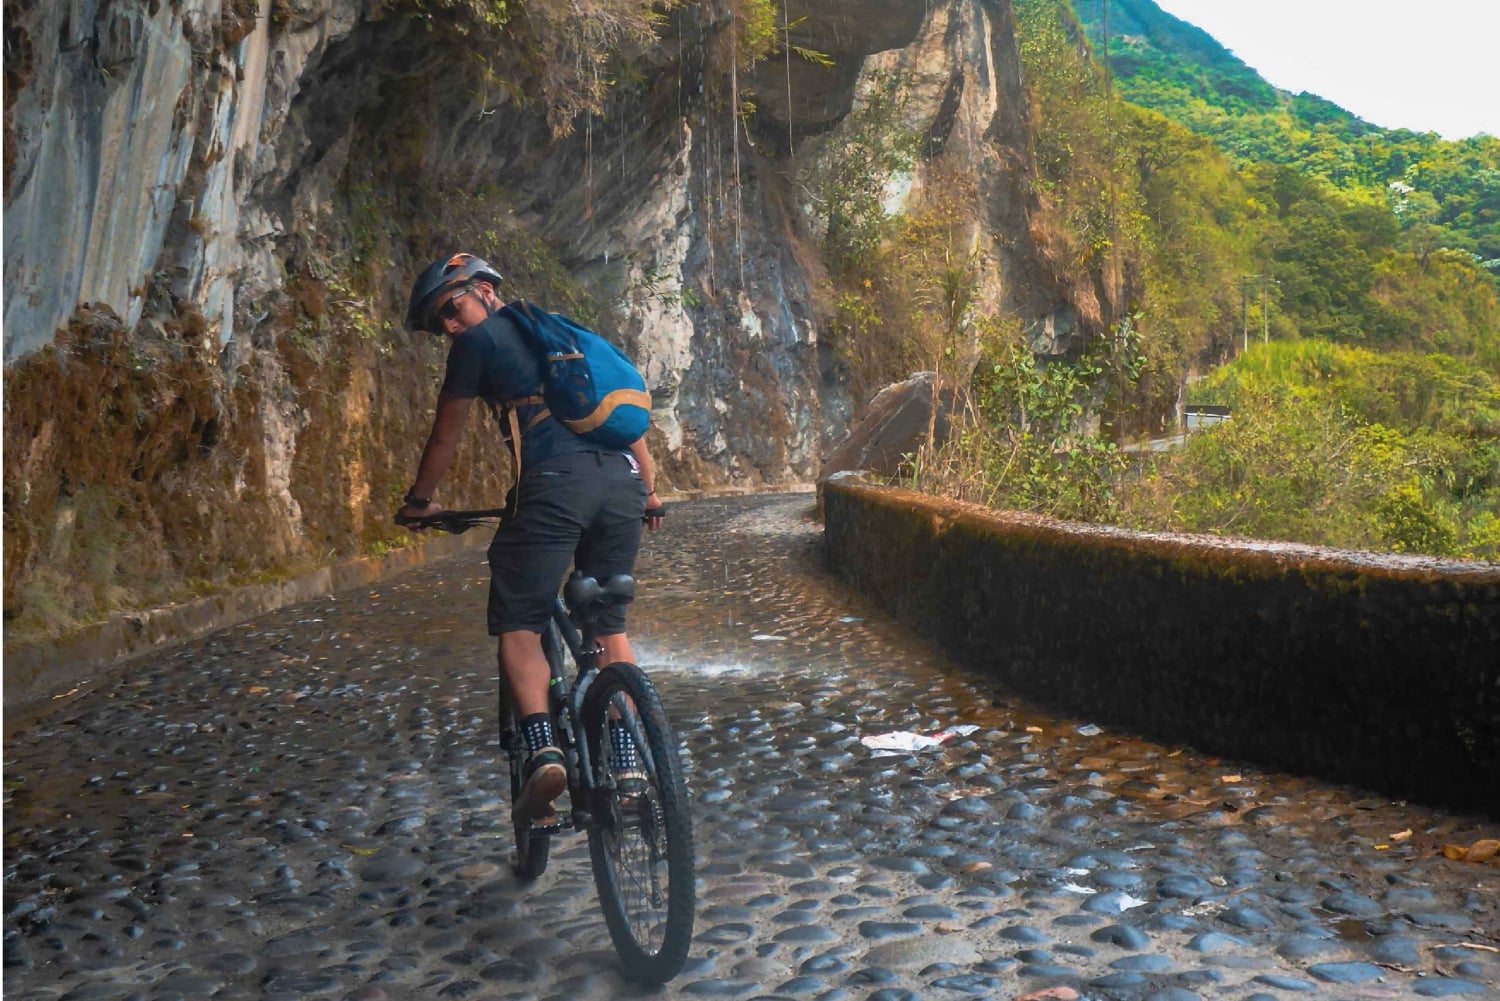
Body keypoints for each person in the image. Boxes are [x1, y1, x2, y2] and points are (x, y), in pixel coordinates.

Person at [397, 253, 664, 826]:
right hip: (622, 483)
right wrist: (650, 493)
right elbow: (624, 417)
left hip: (552, 487)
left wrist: (420, 502)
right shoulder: (567, 331)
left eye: (451, 306)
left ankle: (543, 749)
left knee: (520, 620)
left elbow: (445, 437)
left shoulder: (479, 344)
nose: (448, 325)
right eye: (439, 320)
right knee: (608, 626)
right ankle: (629, 766)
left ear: (487, 290)